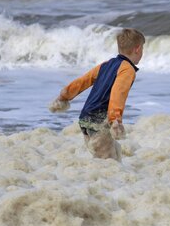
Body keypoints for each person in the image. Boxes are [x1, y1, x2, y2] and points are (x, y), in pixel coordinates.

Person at [49, 28, 145, 161]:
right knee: (108, 163)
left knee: (112, 155)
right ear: (137, 49)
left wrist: (64, 96)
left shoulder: (105, 65)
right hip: (99, 120)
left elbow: (82, 81)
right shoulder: (127, 69)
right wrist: (115, 119)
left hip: (85, 118)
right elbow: (118, 93)